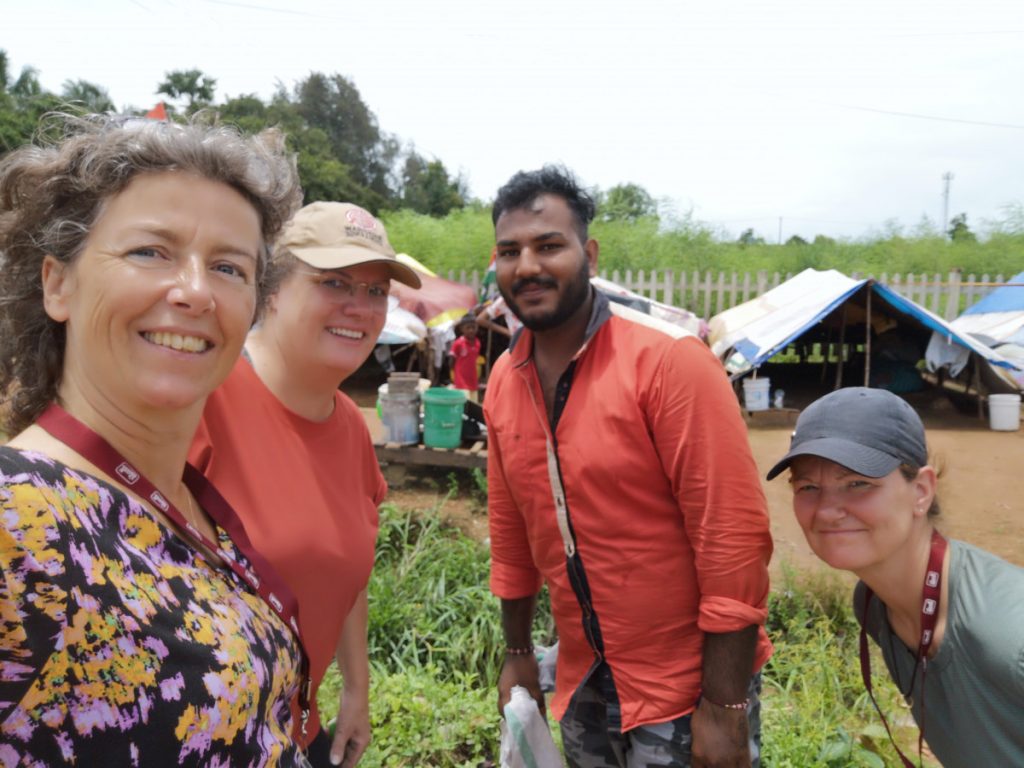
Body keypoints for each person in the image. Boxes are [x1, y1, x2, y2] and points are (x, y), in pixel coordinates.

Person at [0, 115, 306, 764]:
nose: (195, 291)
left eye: (229, 267)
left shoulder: (193, 507)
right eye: (150, 251)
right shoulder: (18, 521)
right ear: (58, 283)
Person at [484, 166, 773, 768]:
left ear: (588, 253)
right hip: (583, 678)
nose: (528, 266)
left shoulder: (669, 362)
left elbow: (731, 538)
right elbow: (512, 531)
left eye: (549, 245)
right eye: (511, 251)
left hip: (685, 684)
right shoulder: (505, 384)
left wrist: (723, 708)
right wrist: (516, 649)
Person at [190, 201, 422, 767]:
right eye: (334, 282)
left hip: (299, 734)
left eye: (375, 291)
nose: (359, 307)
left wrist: (356, 692)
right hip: (196, 742)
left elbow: (346, 571)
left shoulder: (351, 428)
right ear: (270, 289)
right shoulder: (200, 403)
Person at [767, 387, 1024, 767]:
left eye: (858, 483)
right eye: (808, 487)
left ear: (921, 490)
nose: (826, 510)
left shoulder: (1008, 634)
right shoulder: (873, 603)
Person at [449, 313, 481, 398]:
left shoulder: (477, 343)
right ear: (462, 329)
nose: (471, 330)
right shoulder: (458, 343)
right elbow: (452, 361)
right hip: (461, 381)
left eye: (473, 327)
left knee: (473, 405)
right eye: (468, 328)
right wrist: (454, 375)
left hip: (473, 380)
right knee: (464, 405)